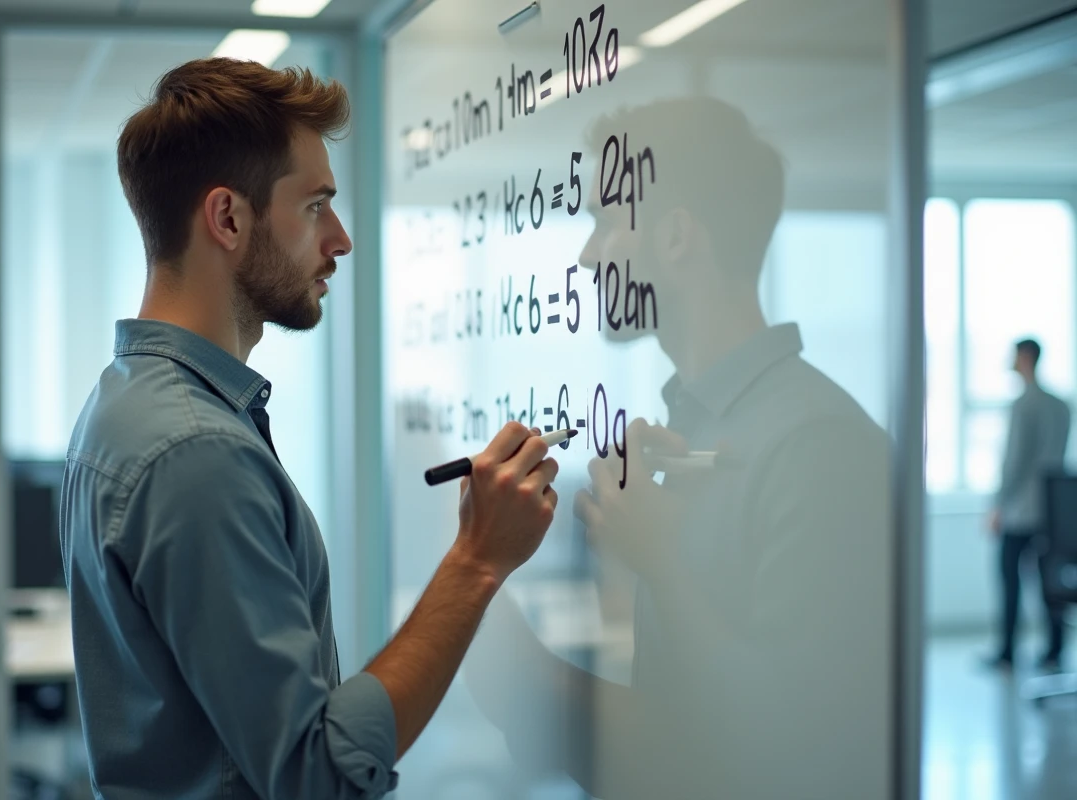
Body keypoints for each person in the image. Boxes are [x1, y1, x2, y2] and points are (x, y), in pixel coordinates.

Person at [61, 59, 559, 800]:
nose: (341, 238)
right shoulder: (194, 451)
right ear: (228, 218)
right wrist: (478, 561)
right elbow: (314, 776)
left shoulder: (128, 402)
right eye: (316, 205)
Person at [464, 96, 891, 799]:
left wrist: (657, 557)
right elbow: (685, 731)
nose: (587, 255)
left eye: (605, 222)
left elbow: (792, 752)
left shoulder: (819, 447)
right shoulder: (698, 429)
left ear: (676, 237)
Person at [986, 337, 1071, 671]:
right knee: (1050, 583)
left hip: (1021, 509)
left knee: (1010, 579)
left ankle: (1008, 651)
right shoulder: (1061, 406)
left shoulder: (1023, 405)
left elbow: (1015, 461)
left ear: (1024, 357)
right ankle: (1054, 650)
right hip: (1053, 511)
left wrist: (998, 504)